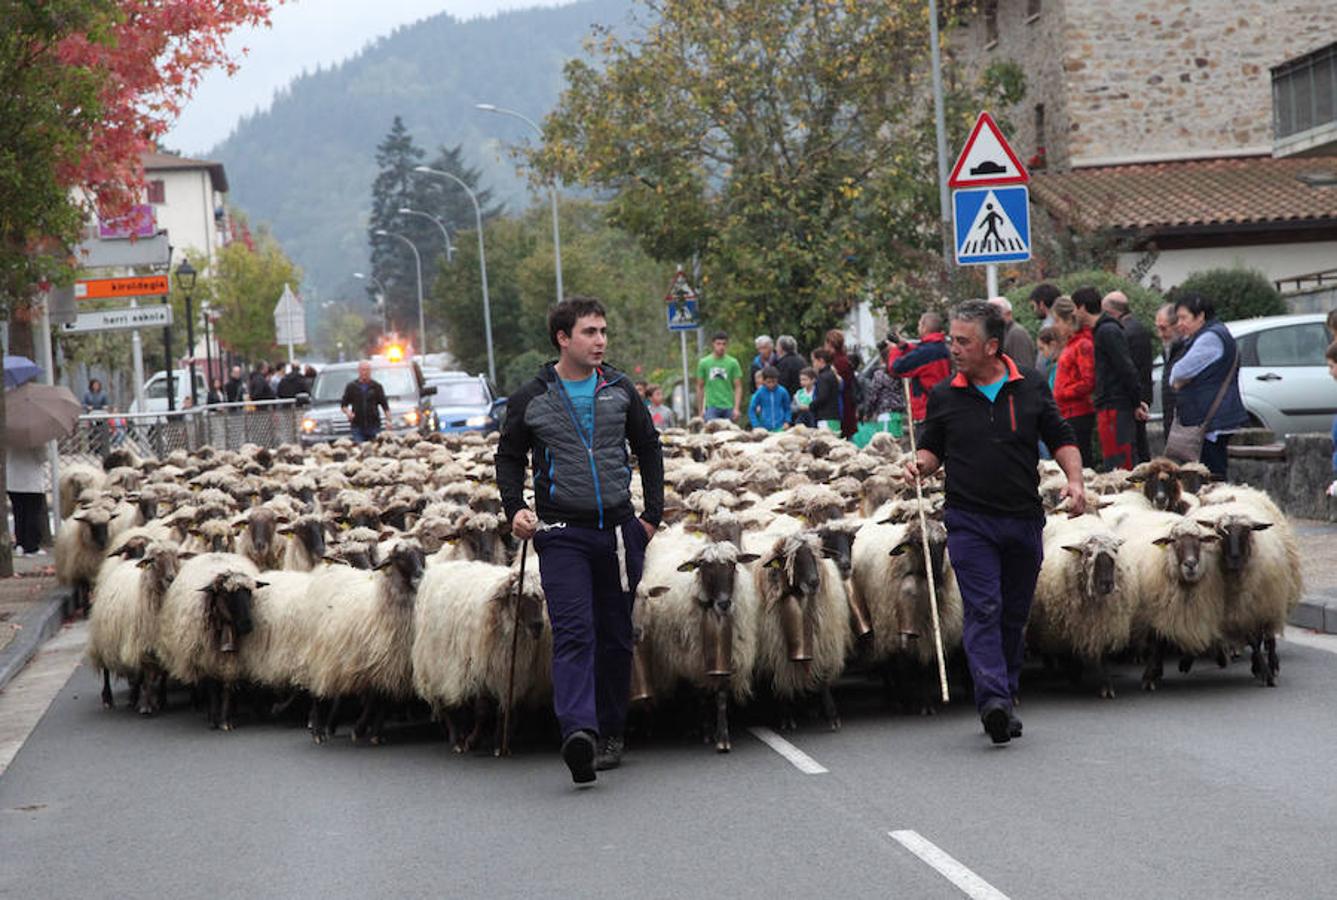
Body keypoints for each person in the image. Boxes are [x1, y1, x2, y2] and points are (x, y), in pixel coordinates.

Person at [496, 296, 663, 785]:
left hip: (617, 532)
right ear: (563, 339)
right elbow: (508, 458)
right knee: (573, 630)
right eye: (590, 332)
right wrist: (516, 509)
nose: (600, 341)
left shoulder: (619, 389)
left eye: (603, 332)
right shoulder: (532, 398)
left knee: (614, 637)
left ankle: (611, 730)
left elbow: (648, 447)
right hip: (562, 534)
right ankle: (579, 733)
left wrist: (649, 517)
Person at [903, 300, 1083, 744]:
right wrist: (918, 465)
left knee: (1013, 614)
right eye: (951, 339)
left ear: (991, 346)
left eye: (962, 341)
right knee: (984, 607)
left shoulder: (1031, 387)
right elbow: (931, 448)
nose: (953, 348)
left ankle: (1004, 688)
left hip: (1022, 519)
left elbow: (1060, 438)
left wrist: (1076, 481)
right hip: (969, 521)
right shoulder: (945, 395)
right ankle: (993, 703)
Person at [1170, 293, 1247, 479]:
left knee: (1212, 475)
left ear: (1201, 316)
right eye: (1177, 318)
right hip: (1211, 417)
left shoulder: (1210, 338)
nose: (1179, 323)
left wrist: (1180, 381)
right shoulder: (1209, 334)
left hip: (1211, 419)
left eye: (1184, 318)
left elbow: (1178, 373)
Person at [1075, 286, 1145, 471]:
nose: (1074, 313)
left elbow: (1126, 368)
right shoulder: (1102, 331)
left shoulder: (1108, 331)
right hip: (1111, 405)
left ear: (1082, 307)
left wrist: (1136, 401)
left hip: (1115, 406)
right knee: (1114, 461)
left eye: (1075, 308)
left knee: (1120, 464)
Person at [1104, 292, 1154, 463]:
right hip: (1136, 398)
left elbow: (1130, 370)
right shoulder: (1135, 329)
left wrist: (1137, 401)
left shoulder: (1126, 332)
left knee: (1134, 451)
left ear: (1112, 312)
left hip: (1131, 401)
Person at [1052, 296, 1097, 468]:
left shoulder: (1083, 344)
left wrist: (1063, 393)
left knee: (1080, 459)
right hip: (1067, 411)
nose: (1055, 326)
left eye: (1057, 321)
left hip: (1078, 412)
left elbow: (1088, 381)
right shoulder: (1072, 344)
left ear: (1067, 320)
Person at [892, 311, 951, 424]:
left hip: (926, 409)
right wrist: (905, 347)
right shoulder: (942, 347)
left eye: (919, 325)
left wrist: (895, 350)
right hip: (942, 406)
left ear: (924, 327)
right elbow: (920, 358)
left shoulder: (926, 352)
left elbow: (897, 367)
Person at [7, 445, 47, 557]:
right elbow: (43, 457)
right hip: (32, 482)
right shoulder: (36, 439)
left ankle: (20, 543)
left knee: (18, 513)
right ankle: (31, 546)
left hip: (13, 481)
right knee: (32, 514)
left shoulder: (9, 436)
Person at [695, 331, 743, 422]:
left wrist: (736, 408)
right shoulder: (704, 363)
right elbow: (700, 387)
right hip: (711, 406)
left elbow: (738, 386)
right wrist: (700, 410)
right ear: (713, 344)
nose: (721, 347)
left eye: (724, 344)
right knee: (711, 432)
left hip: (728, 405)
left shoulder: (733, 363)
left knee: (730, 434)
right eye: (718, 344)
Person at [339, 360, 389, 443]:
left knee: (375, 448)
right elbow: (344, 405)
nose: (365, 372)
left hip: (374, 425)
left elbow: (385, 405)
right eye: (363, 370)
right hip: (357, 426)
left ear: (370, 371)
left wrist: (388, 421)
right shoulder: (351, 387)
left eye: (367, 370)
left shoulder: (376, 386)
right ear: (359, 371)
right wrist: (348, 412)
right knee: (360, 448)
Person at [1155, 303, 1186, 431]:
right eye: (1158, 329)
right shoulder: (1169, 351)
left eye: (1163, 328)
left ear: (1177, 326)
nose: (1160, 334)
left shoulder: (1185, 350)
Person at [825, 329, 859, 439]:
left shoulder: (838, 363)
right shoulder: (844, 360)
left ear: (830, 344)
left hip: (842, 408)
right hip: (847, 407)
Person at [989, 297, 1037, 369]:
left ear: (1008, 313)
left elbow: (1024, 367)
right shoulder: (1003, 332)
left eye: (995, 314)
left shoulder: (1017, 334)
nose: (991, 318)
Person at [748, 366, 791, 432]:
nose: (772, 384)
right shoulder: (759, 392)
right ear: (763, 381)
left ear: (777, 380)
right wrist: (756, 425)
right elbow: (751, 409)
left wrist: (787, 421)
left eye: (774, 382)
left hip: (780, 427)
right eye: (769, 382)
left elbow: (787, 408)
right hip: (764, 428)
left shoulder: (783, 391)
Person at [809, 349, 841, 430]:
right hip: (834, 417)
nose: (813, 364)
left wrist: (811, 405)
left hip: (826, 418)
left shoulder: (823, 377)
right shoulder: (831, 374)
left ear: (821, 361)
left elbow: (822, 397)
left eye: (814, 361)